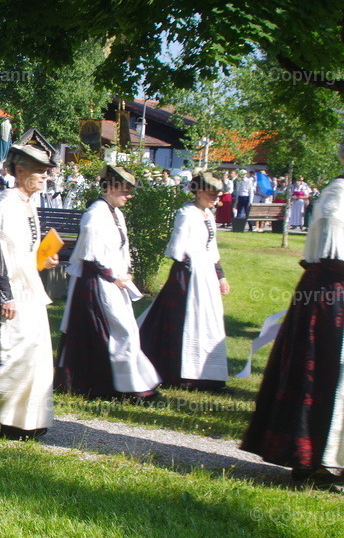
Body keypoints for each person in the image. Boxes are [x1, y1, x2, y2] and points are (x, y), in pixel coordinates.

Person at [241, 159, 344, 490]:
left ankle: (325, 460)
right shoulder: (338, 195)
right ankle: (315, 461)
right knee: (323, 373)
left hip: (329, 292)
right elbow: (333, 256)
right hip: (330, 295)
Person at [0, 143, 60, 438]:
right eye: (39, 171)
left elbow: (22, 250)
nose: (44, 176)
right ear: (20, 171)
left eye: (46, 171)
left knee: (35, 353)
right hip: (9, 290)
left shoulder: (26, 203)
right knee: (16, 352)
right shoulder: (5, 204)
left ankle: (25, 419)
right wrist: (6, 296)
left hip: (28, 287)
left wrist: (43, 258)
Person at [55, 165, 162, 401]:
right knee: (118, 331)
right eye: (125, 190)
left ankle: (128, 384)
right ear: (111, 188)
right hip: (96, 284)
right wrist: (113, 276)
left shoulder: (115, 213)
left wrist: (124, 273)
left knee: (126, 330)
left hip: (113, 281)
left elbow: (119, 249)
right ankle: (115, 385)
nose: (129, 196)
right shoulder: (95, 214)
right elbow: (90, 255)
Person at [138, 171, 231, 393]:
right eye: (212, 194)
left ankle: (207, 375)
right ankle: (176, 373)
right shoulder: (187, 214)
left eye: (218, 194)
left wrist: (220, 276)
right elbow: (178, 250)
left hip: (205, 275)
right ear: (198, 192)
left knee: (207, 323)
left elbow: (212, 249)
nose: (216, 198)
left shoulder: (207, 215)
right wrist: (191, 271)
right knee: (182, 322)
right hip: (187, 275)